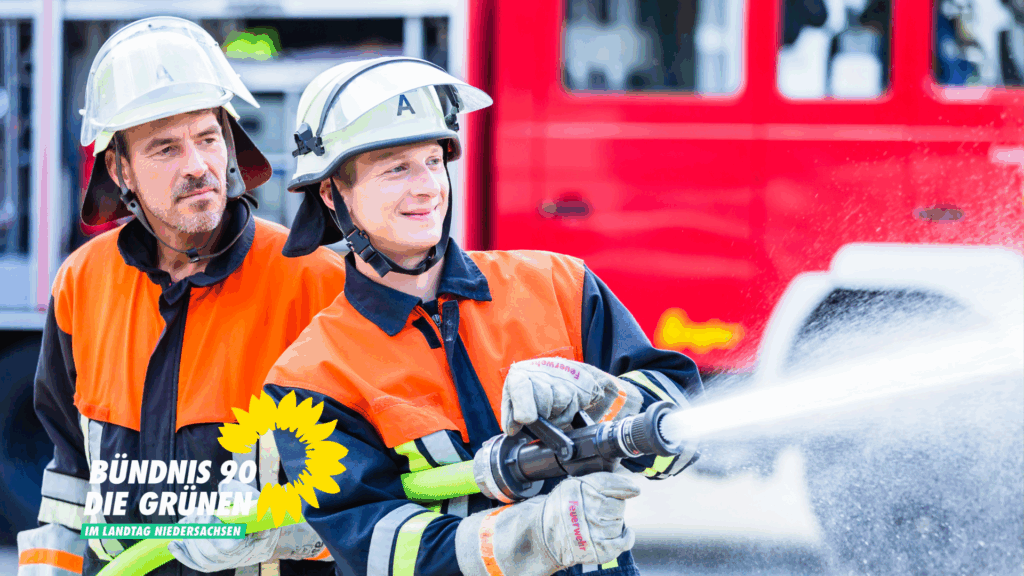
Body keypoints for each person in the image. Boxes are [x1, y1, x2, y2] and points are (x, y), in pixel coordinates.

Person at [263, 56, 704, 576]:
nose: (426, 186)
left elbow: (684, 439)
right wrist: (533, 538)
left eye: (432, 160)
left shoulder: (559, 285)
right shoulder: (312, 377)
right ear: (333, 193)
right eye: (396, 168)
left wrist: (603, 397)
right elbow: (376, 551)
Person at [16, 17, 347, 576]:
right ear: (119, 168)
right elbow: (70, 474)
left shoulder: (313, 280)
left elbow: (366, 489)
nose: (197, 166)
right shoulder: (82, 282)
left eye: (208, 138)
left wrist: (275, 537)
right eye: (165, 148)